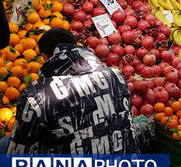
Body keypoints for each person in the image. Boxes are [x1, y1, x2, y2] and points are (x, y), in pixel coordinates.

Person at [7, 28, 138, 154]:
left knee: (5, 143)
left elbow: (18, 152)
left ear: (44, 57)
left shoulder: (36, 94)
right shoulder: (116, 75)